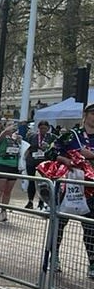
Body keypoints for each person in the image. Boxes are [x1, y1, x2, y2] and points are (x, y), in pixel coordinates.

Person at [39, 103, 94, 277]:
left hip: (91, 189)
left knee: (91, 227)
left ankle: (92, 263)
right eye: (93, 113)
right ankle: (53, 258)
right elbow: (50, 152)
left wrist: (92, 156)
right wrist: (65, 160)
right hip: (68, 186)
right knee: (59, 223)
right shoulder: (71, 136)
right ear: (86, 115)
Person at [0, 122, 24, 222]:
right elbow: (0, 139)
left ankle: (4, 211)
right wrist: (6, 131)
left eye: (14, 127)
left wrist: (19, 140)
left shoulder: (17, 138)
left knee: (8, 191)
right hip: (2, 164)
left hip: (13, 165)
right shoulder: (2, 137)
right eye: (10, 126)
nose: (12, 128)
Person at [24, 119, 55, 208]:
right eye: (41, 128)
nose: (43, 130)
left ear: (48, 128)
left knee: (44, 183)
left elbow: (55, 148)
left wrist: (48, 147)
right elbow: (27, 148)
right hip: (32, 162)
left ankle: (41, 202)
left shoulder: (52, 137)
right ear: (38, 128)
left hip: (45, 164)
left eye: (45, 128)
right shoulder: (32, 136)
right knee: (32, 182)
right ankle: (30, 201)